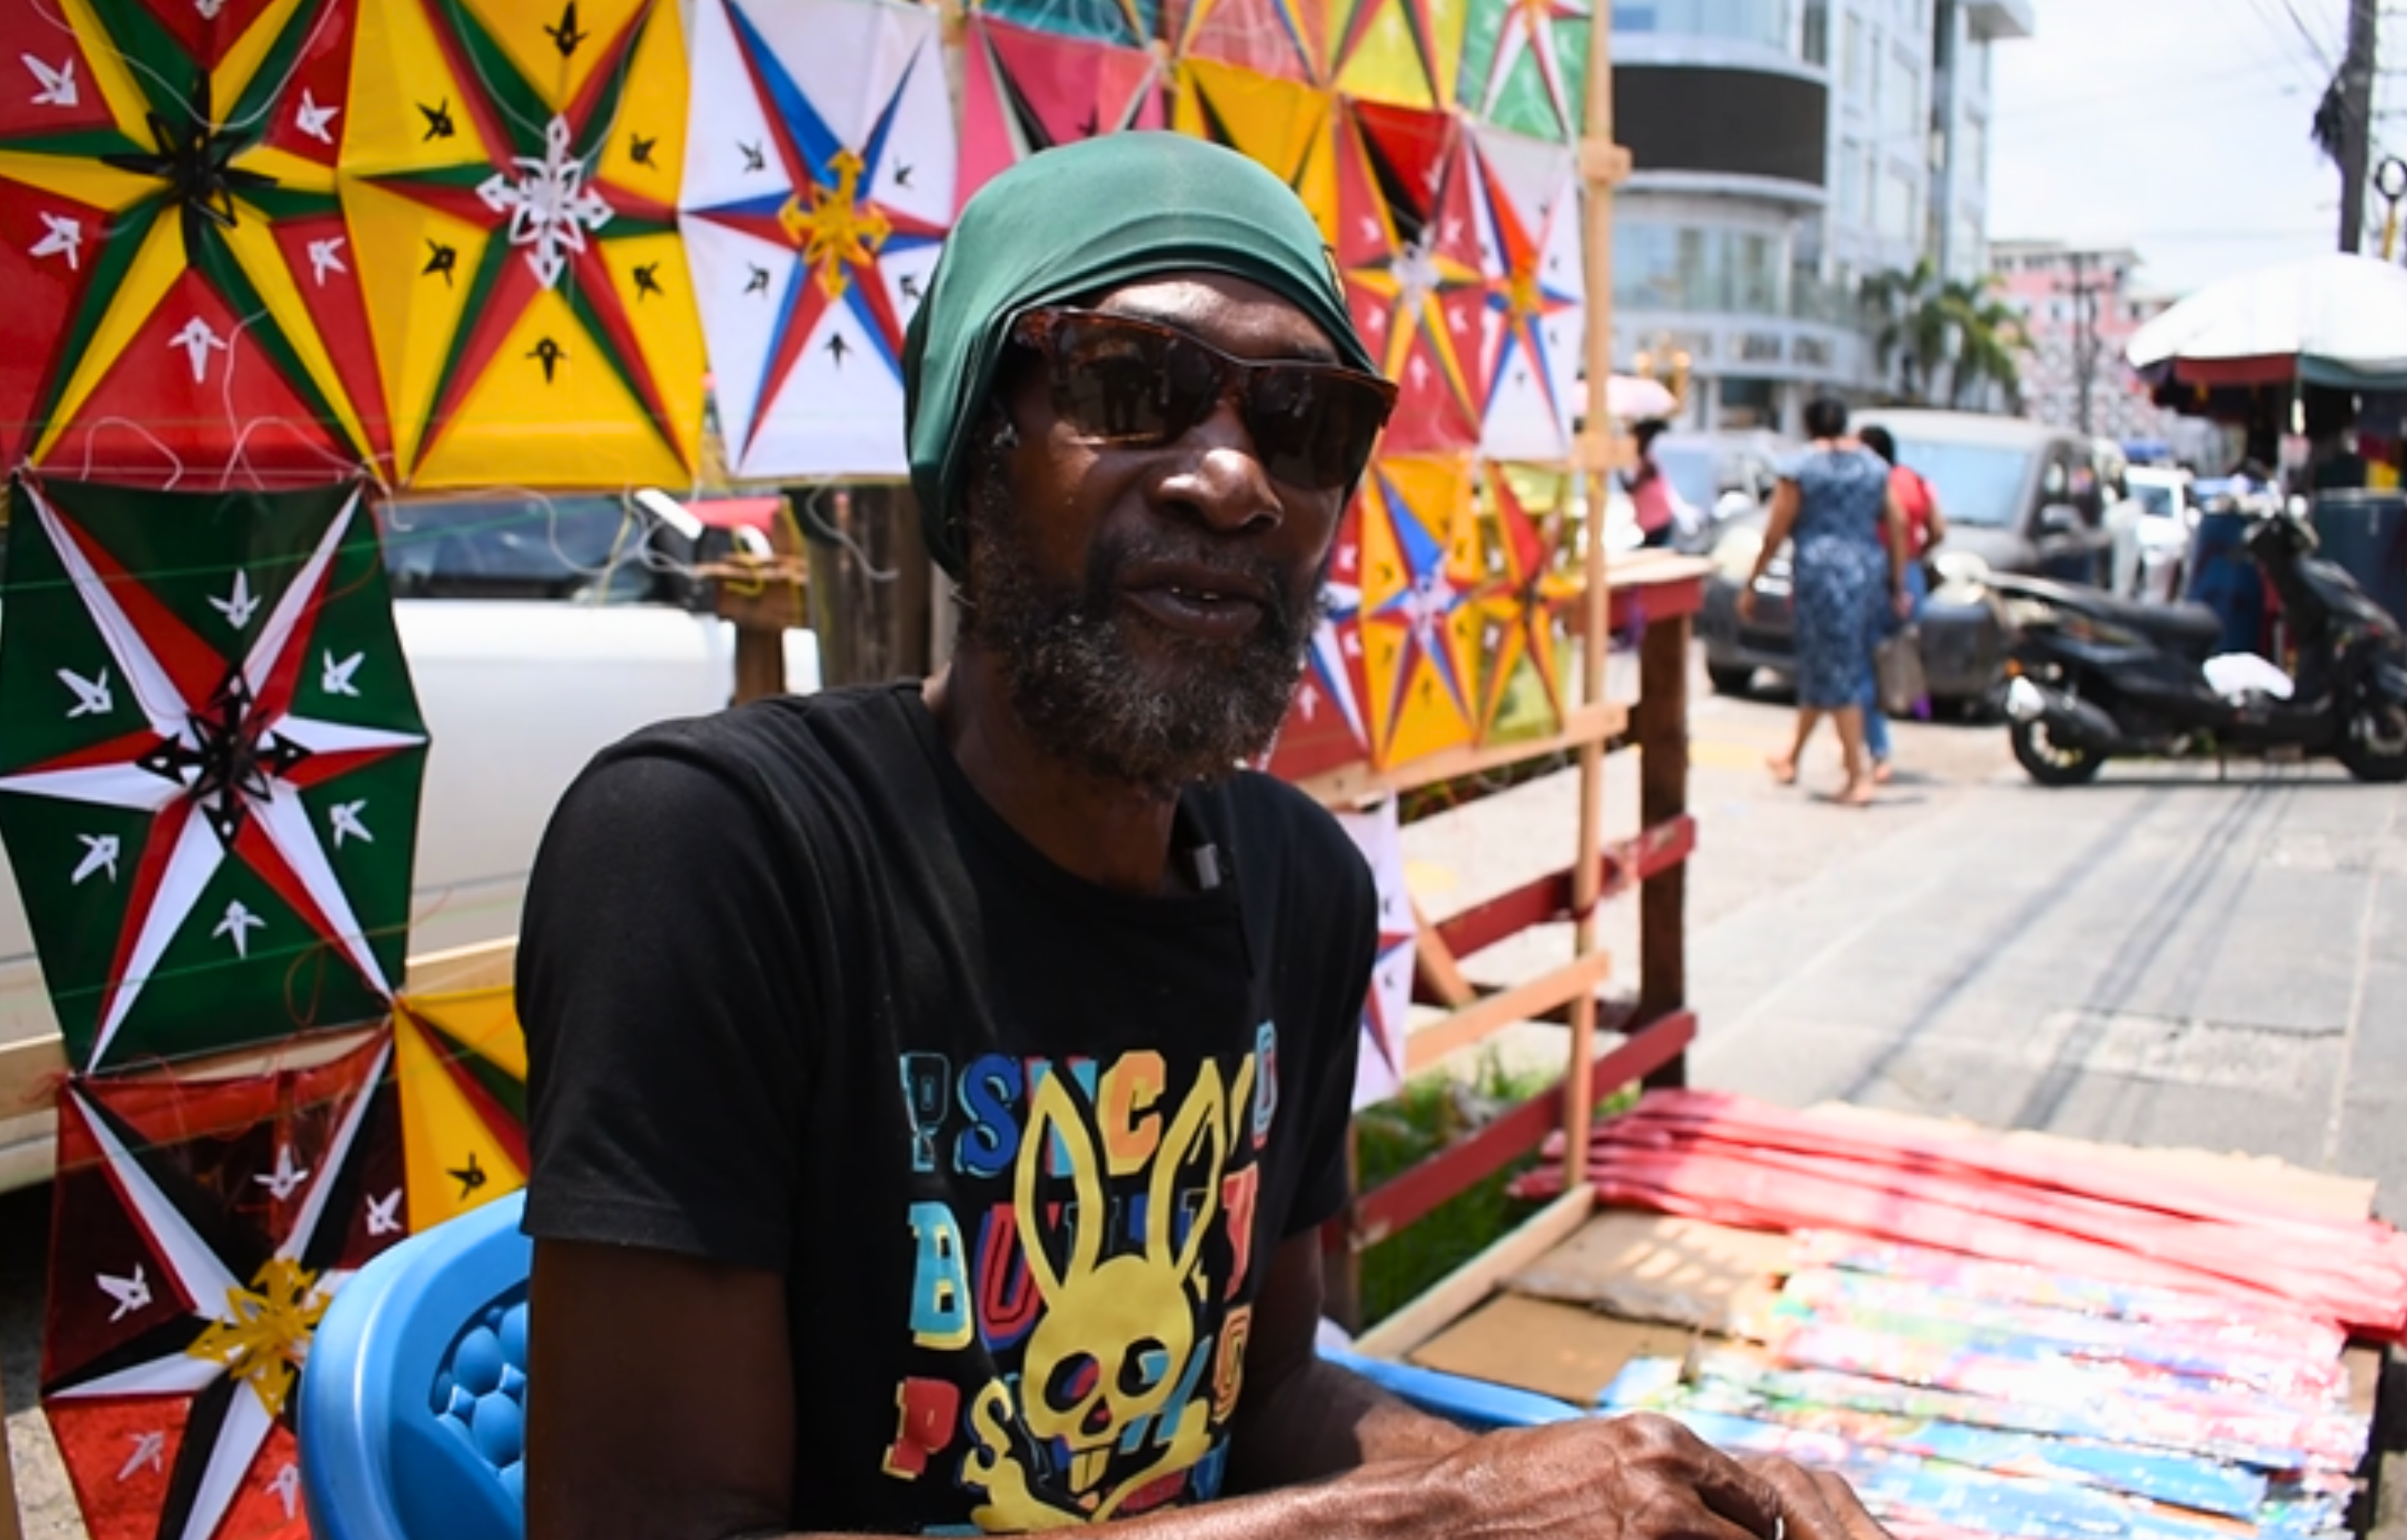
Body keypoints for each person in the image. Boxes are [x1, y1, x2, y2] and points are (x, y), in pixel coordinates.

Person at [517, 133, 1893, 1540]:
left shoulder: (1299, 883)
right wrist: (1441, 1518)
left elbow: (1274, 1385)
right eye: (1131, 387)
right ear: (978, 447)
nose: (1236, 481)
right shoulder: (722, 853)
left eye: (1304, 426)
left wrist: (1601, 1502)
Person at [1739, 398, 1909, 807]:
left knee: (1837, 670)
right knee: (1827, 665)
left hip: (1821, 574)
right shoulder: (1872, 467)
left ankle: (1856, 775)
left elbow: (1777, 527)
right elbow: (1898, 522)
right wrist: (1897, 580)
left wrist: (1755, 581)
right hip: (1866, 571)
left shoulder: (1801, 468)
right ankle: (1793, 755)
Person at [1854, 425, 1947, 780]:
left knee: (1864, 662)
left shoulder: (1877, 483)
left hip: (1883, 575)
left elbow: (1897, 521)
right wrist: (1914, 556)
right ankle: (1871, 736)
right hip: (1911, 575)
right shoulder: (1917, 481)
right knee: (1890, 654)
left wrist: (1894, 575)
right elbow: (1938, 529)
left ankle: (1877, 751)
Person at [1623, 418, 1680, 548]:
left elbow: (1632, 488)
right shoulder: (1644, 463)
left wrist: (1616, 469)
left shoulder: (1647, 465)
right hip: (1654, 523)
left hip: (1658, 523)